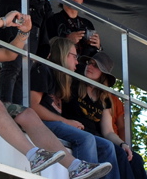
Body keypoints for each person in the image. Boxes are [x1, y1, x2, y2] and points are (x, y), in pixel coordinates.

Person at [0, 0, 112, 179]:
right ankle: (33, 155)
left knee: (27, 113)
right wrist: (3, 21)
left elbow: (9, 54)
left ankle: (75, 166)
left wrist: (23, 34)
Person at [30, 38, 120, 179]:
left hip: (57, 123)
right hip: (41, 123)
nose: (78, 63)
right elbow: (33, 107)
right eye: (75, 57)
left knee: (108, 146)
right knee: (87, 138)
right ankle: (82, 173)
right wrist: (66, 121)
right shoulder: (43, 69)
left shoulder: (61, 78)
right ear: (64, 54)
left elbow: (108, 131)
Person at [63, 52, 147, 179]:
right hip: (77, 130)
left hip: (95, 136)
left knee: (134, 158)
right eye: (89, 63)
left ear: (103, 75)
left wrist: (122, 144)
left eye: (95, 66)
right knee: (111, 149)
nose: (89, 67)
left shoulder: (104, 98)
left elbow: (108, 131)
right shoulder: (74, 85)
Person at [43, 0, 102, 71]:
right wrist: (67, 41)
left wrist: (98, 47)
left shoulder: (87, 24)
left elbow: (95, 57)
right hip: (60, 71)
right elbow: (46, 49)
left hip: (82, 73)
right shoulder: (53, 20)